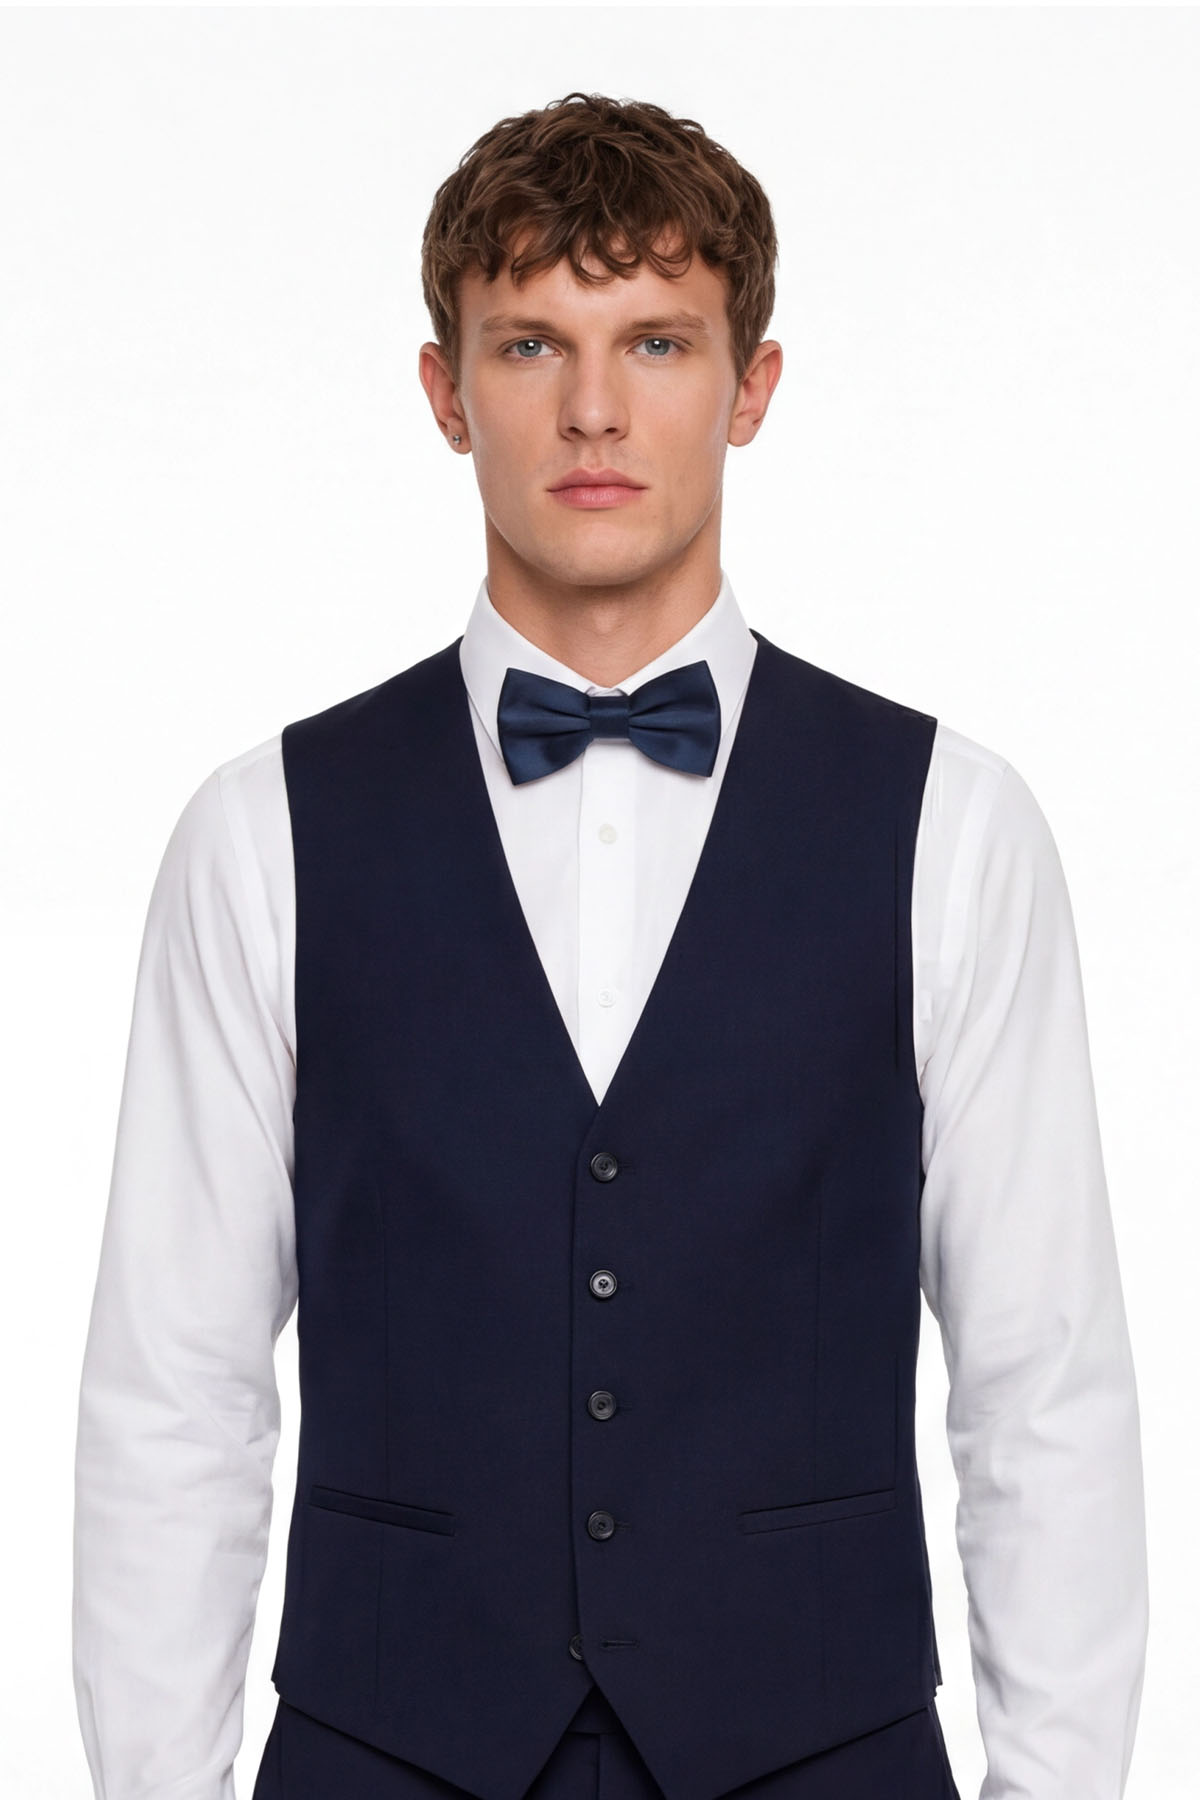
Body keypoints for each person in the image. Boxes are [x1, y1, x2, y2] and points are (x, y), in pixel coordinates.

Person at [72, 91, 1148, 1800]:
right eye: (529, 345)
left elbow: (1044, 1394)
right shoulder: (260, 832)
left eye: (656, 341)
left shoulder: (954, 825)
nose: (593, 410)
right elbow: (174, 1396)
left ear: (751, 386)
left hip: (826, 1759)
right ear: (445, 392)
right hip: (383, 1755)